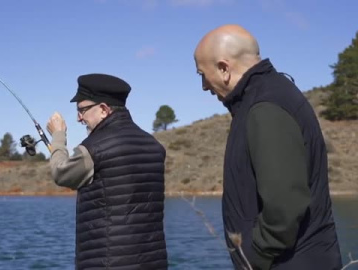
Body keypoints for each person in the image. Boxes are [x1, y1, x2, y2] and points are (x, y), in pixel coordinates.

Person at [193, 25, 342, 269]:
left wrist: (253, 257)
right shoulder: (269, 96)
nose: (204, 86)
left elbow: (285, 206)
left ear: (223, 68)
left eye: (202, 74)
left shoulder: (265, 107)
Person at [46, 73, 168, 270]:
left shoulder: (95, 148)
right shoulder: (153, 145)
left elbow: (61, 173)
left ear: (103, 109)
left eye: (82, 110)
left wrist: (58, 135)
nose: (79, 118)